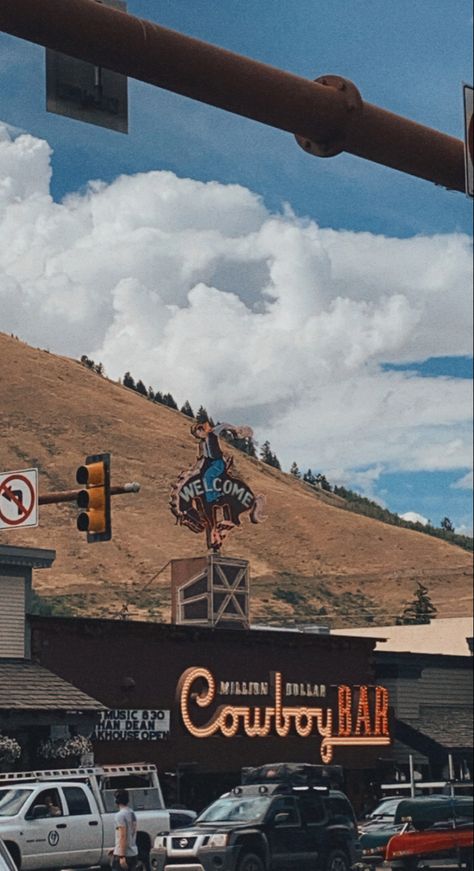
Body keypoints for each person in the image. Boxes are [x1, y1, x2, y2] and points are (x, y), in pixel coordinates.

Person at [111, 789, 138, 871]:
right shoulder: (131, 813)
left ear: (116, 800)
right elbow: (132, 831)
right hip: (133, 852)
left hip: (123, 854)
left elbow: (123, 835)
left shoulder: (120, 815)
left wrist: (121, 856)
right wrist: (115, 847)